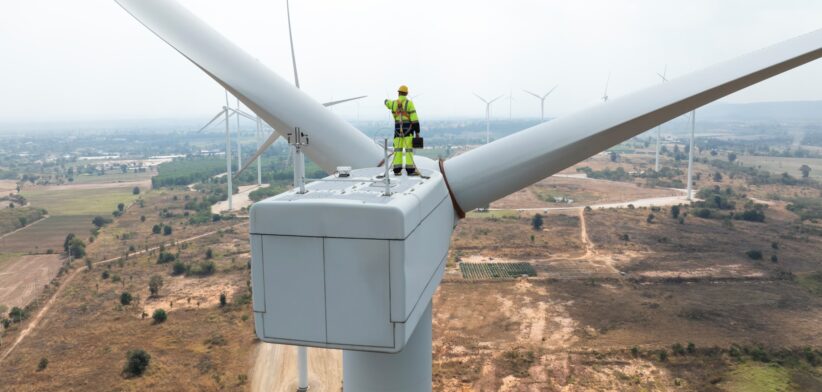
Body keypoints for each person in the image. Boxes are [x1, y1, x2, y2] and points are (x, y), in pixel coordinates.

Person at [384, 85, 420, 175]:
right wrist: (417, 131)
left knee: (398, 150)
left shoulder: (393, 103)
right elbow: (414, 119)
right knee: (408, 151)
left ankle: (397, 170)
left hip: (397, 132)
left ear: (398, 93)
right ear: (406, 93)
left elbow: (387, 103)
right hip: (408, 131)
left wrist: (386, 101)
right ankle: (410, 170)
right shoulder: (409, 103)